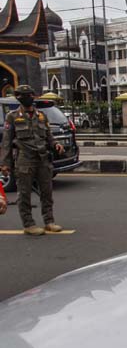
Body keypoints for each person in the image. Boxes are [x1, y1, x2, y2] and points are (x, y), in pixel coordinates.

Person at [0, 85, 64, 236]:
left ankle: (49, 221)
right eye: (24, 95)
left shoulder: (41, 116)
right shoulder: (13, 117)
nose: (28, 97)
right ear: (19, 98)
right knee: (24, 193)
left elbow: (48, 135)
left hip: (42, 158)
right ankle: (29, 224)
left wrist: (56, 144)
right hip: (24, 159)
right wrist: (5, 164)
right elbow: (7, 142)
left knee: (46, 192)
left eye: (30, 95)